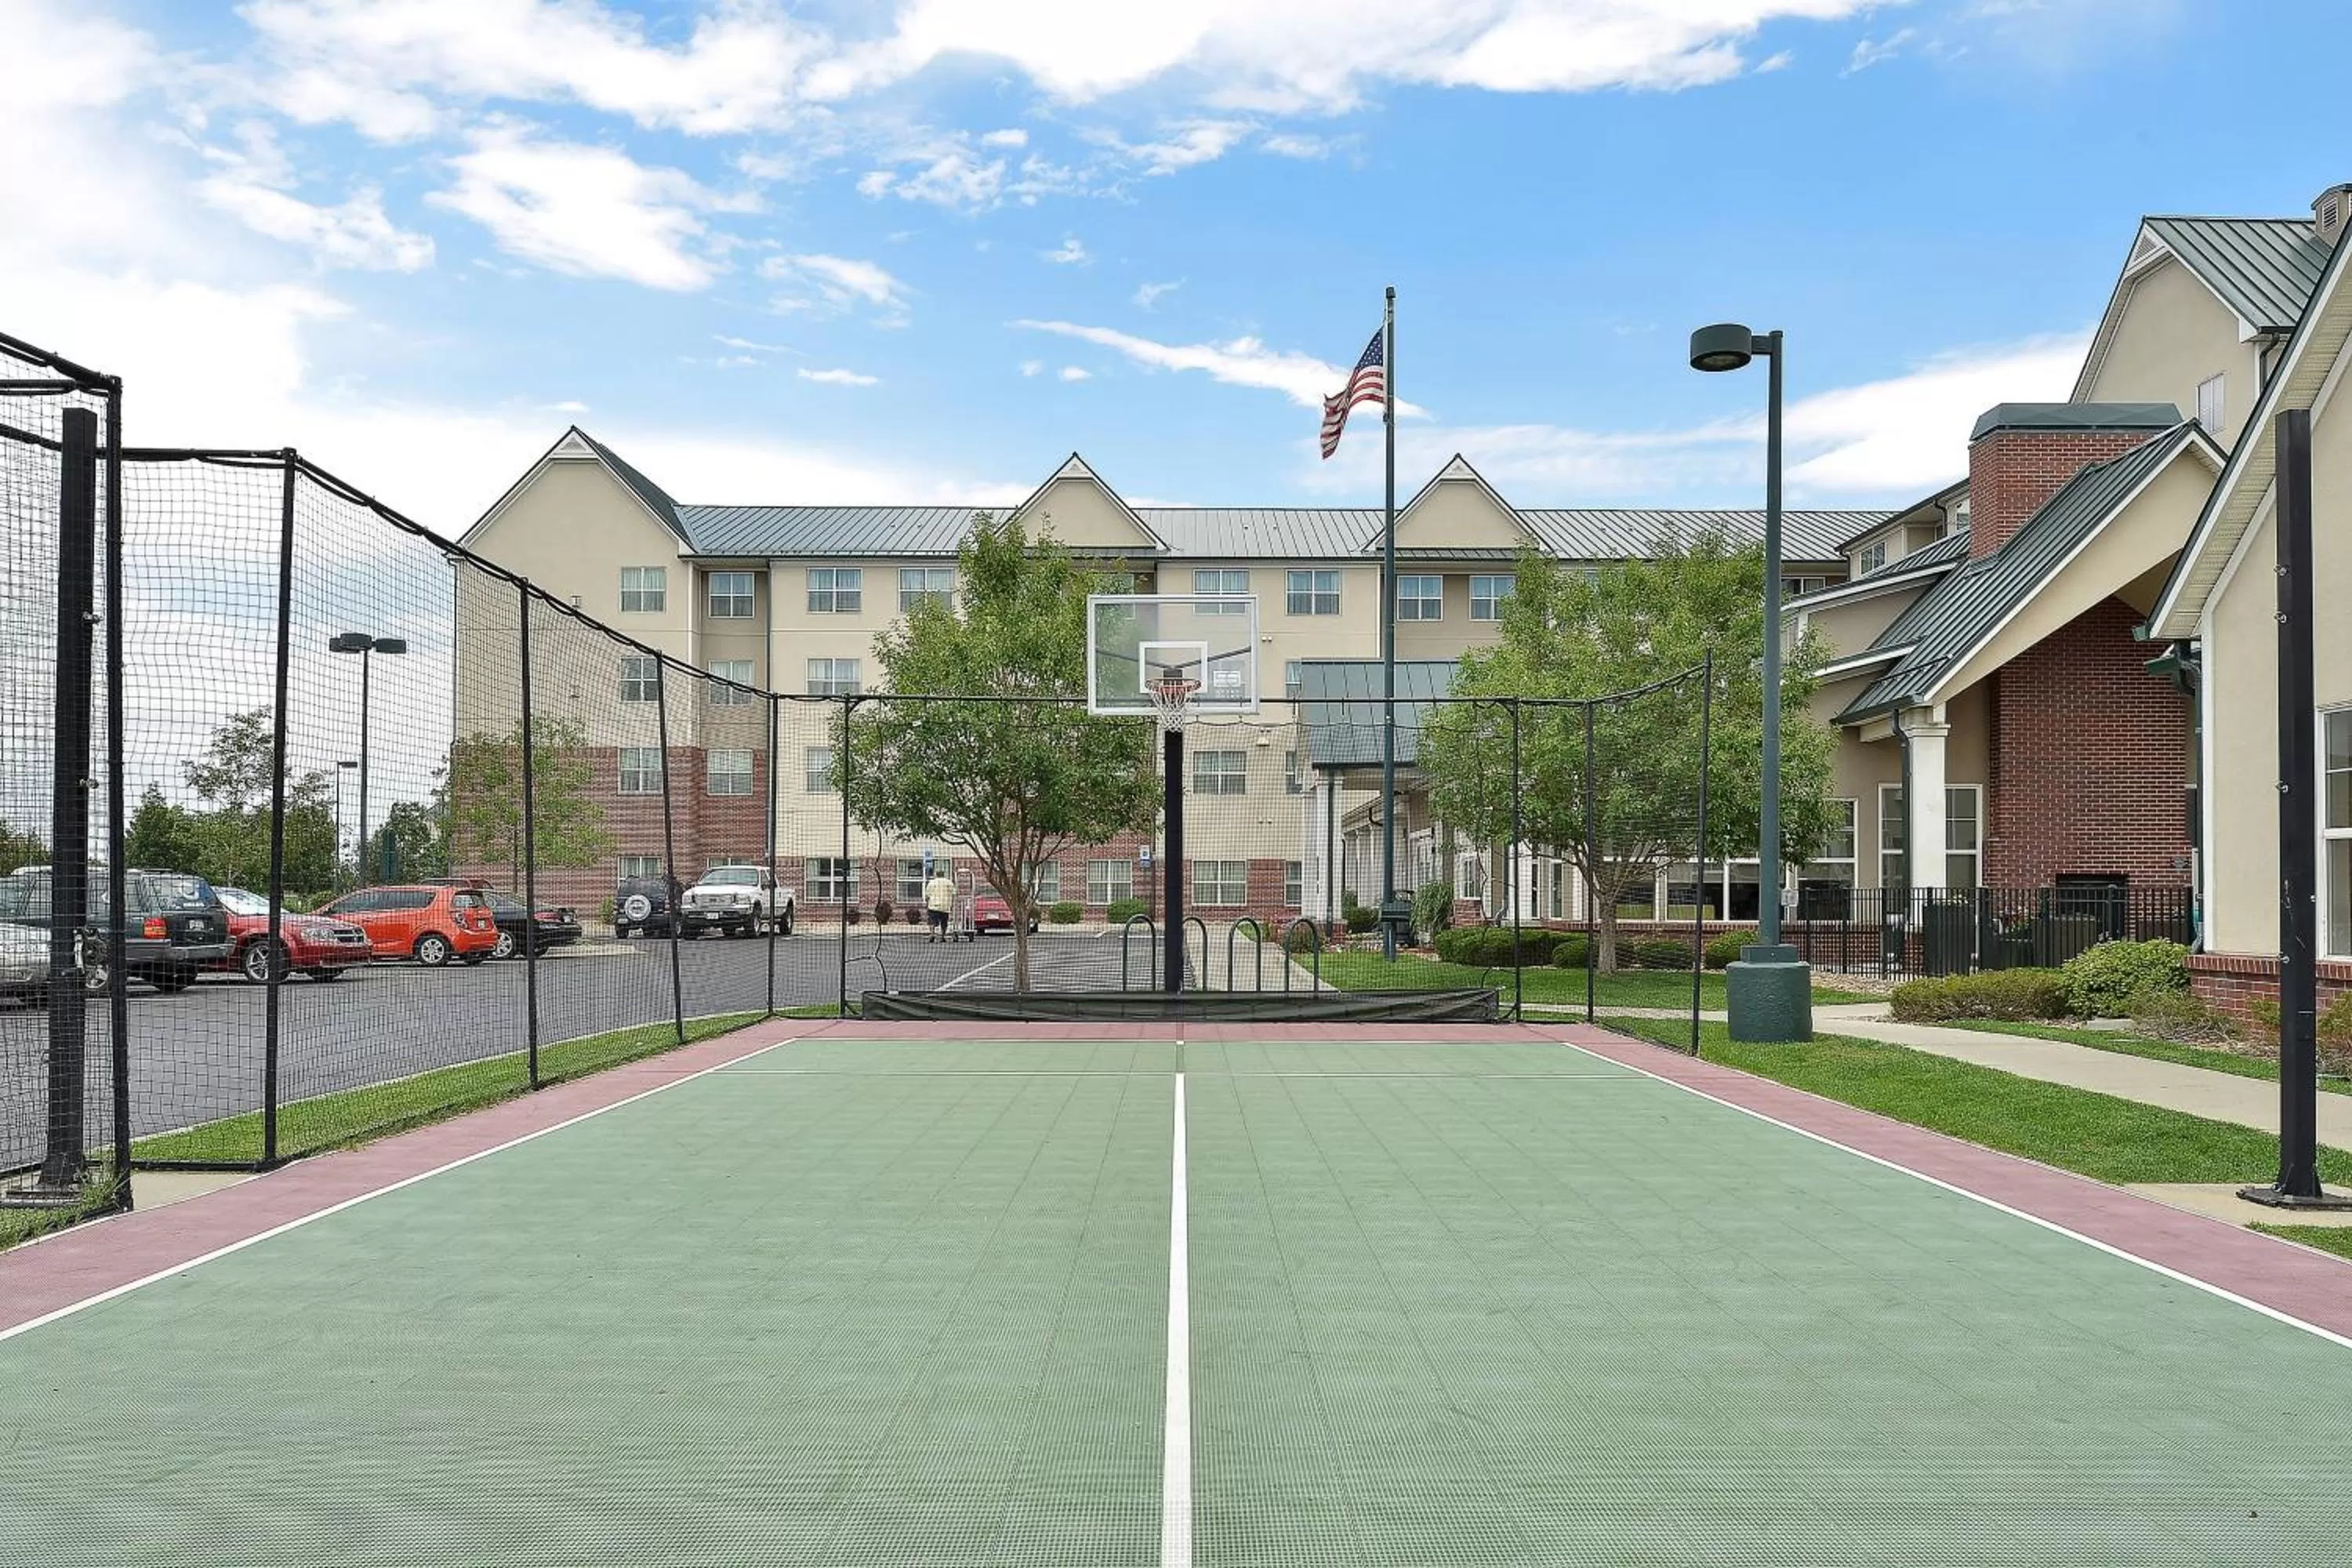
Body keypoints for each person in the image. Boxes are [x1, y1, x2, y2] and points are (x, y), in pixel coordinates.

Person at [924, 869, 956, 942]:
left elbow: (927, 895)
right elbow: (953, 894)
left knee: (932, 921)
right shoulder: (949, 883)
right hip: (945, 905)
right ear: (944, 875)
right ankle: (942, 936)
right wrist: (951, 904)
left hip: (933, 905)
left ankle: (932, 934)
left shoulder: (932, 883)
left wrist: (927, 904)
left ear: (936, 874)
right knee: (944, 922)